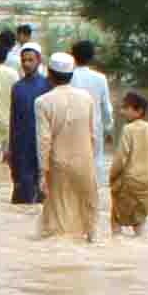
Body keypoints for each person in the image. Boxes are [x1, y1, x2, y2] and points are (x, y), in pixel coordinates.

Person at [36, 58, 105, 241]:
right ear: (71, 75)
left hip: (59, 164)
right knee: (89, 214)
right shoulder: (87, 98)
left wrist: (42, 171)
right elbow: (93, 134)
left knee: (58, 217)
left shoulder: (43, 102)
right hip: (85, 161)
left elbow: (44, 140)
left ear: (49, 75)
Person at [110, 93, 148, 235]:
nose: (121, 111)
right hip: (146, 183)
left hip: (128, 182)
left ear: (139, 111)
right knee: (139, 222)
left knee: (116, 220)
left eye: (126, 108)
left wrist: (112, 176)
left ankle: (116, 248)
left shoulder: (128, 130)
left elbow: (121, 158)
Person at [5, 45, 50, 206]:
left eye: (30, 60)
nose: (26, 64)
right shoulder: (17, 87)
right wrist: (10, 148)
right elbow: (13, 119)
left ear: (39, 61)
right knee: (22, 191)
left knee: (42, 193)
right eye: (24, 60)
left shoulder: (48, 85)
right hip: (22, 145)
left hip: (42, 142)